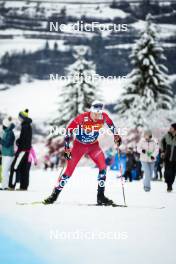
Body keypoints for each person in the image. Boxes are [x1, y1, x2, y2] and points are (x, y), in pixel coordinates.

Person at [43, 101, 122, 205]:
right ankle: (54, 195)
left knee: (103, 166)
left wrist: (116, 136)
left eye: (99, 114)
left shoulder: (104, 117)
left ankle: (101, 197)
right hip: (79, 146)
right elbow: (68, 131)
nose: (97, 116)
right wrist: (67, 149)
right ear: (91, 112)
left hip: (94, 146)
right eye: (95, 114)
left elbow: (111, 126)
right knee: (69, 171)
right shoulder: (82, 117)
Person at [9, 109, 33, 190]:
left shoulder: (25, 126)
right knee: (24, 169)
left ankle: (11, 186)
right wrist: (19, 140)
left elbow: (25, 139)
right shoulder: (27, 125)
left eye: (19, 117)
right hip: (26, 150)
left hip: (23, 150)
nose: (18, 118)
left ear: (22, 117)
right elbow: (26, 138)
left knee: (14, 167)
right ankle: (23, 186)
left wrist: (19, 143)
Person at [0, 117, 15, 190]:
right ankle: (4, 186)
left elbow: (7, 144)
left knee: (5, 170)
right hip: (4, 154)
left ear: (5, 125)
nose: (2, 126)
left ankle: (5, 186)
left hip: (9, 155)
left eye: (3, 125)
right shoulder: (5, 132)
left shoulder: (10, 133)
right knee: (3, 170)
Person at [160, 123, 176, 192]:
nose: (170, 128)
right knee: (167, 173)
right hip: (167, 157)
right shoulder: (167, 135)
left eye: (171, 127)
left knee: (173, 172)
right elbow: (161, 142)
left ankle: (170, 185)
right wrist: (163, 151)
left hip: (175, 159)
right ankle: (168, 185)